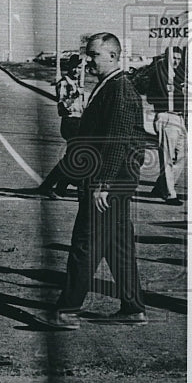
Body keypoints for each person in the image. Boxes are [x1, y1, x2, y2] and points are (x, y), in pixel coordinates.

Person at [47, 32, 147, 329]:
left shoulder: (119, 89)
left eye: (94, 55)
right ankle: (133, 308)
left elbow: (116, 141)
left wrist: (103, 184)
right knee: (118, 247)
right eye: (88, 54)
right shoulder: (109, 86)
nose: (88, 60)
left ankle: (67, 310)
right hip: (114, 181)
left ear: (114, 56)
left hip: (108, 183)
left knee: (85, 245)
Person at [142, 48, 187, 205]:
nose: (175, 61)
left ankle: (161, 185)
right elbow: (149, 96)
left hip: (179, 117)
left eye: (178, 58)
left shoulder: (180, 75)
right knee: (167, 157)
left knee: (182, 155)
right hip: (166, 116)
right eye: (173, 58)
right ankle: (169, 193)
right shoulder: (160, 75)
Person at [38, 54, 86, 199]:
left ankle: (61, 187)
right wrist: (76, 95)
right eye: (74, 67)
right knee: (71, 158)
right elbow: (62, 108)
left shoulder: (77, 83)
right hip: (70, 122)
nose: (77, 71)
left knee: (74, 157)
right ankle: (47, 186)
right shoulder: (64, 83)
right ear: (69, 67)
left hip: (78, 121)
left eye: (79, 68)